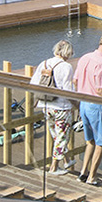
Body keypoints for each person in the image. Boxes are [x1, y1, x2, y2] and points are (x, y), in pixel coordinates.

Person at [72, 32, 102, 185]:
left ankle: (83, 173)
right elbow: (100, 89)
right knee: (101, 142)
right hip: (96, 105)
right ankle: (92, 177)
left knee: (90, 141)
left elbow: (75, 80)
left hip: (84, 103)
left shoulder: (85, 57)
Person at [31, 39, 77, 175]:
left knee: (56, 135)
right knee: (61, 136)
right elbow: (67, 90)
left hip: (46, 104)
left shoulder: (44, 63)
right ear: (67, 52)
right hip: (61, 106)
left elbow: (33, 82)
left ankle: (66, 160)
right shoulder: (66, 67)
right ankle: (54, 167)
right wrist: (77, 104)